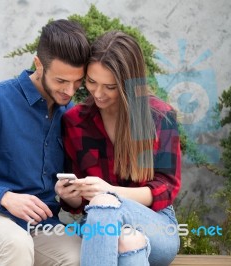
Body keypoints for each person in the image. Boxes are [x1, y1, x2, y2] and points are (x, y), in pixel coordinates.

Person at [0, 19, 90, 266]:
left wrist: (70, 194)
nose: (69, 91)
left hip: (44, 226)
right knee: (16, 245)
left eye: (77, 82)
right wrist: (5, 197)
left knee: (84, 253)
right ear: (38, 65)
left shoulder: (69, 113)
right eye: (61, 81)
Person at [55, 31, 181, 266]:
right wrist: (70, 197)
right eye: (92, 82)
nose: (98, 93)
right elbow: (80, 204)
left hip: (156, 224)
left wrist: (110, 192)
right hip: (98, 227)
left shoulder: (159, 117)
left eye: (110, 86)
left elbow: (166, 188)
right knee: (127, 241)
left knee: (104, 204)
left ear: (128, 83)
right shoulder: (75, 121)